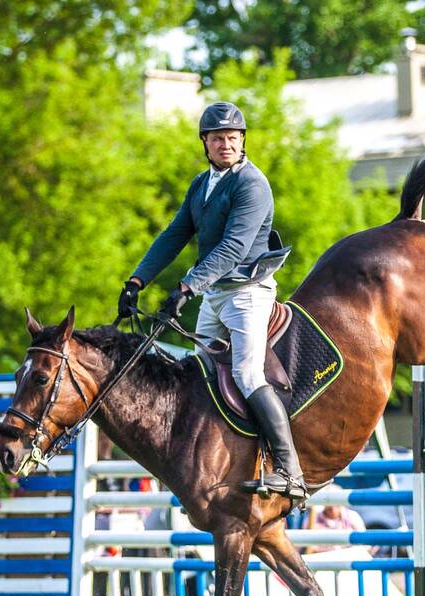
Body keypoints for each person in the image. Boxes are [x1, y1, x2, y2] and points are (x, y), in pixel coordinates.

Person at [117, 102, 301, 498]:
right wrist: (137, 279)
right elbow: (173, 235)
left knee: (247, 375)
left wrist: (186, 287)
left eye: (233, 138)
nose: (226, 144)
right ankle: (210, 471)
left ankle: (290, 471)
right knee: (198, 377)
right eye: (218, 138)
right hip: (216, 293)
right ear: (205, 142)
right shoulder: (202, 184)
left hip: (248, 293)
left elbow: (234, 246)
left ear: (242, 140)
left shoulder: (252, 184)